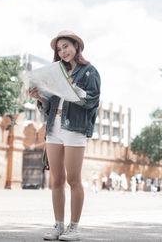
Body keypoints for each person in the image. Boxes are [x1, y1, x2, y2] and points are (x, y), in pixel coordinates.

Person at [28, 30, 101, 241]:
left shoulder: (89, 72)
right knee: (56, 179)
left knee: (73, 179)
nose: (63, 52)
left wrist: (74, 90)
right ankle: (58, 226)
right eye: (59, 49)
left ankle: (74, 228)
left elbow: (92, 101)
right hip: (54, 128)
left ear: (77, 46)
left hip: (74, 129)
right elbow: (49, 107)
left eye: (66, 46)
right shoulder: (56, 72)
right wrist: (40, 97)